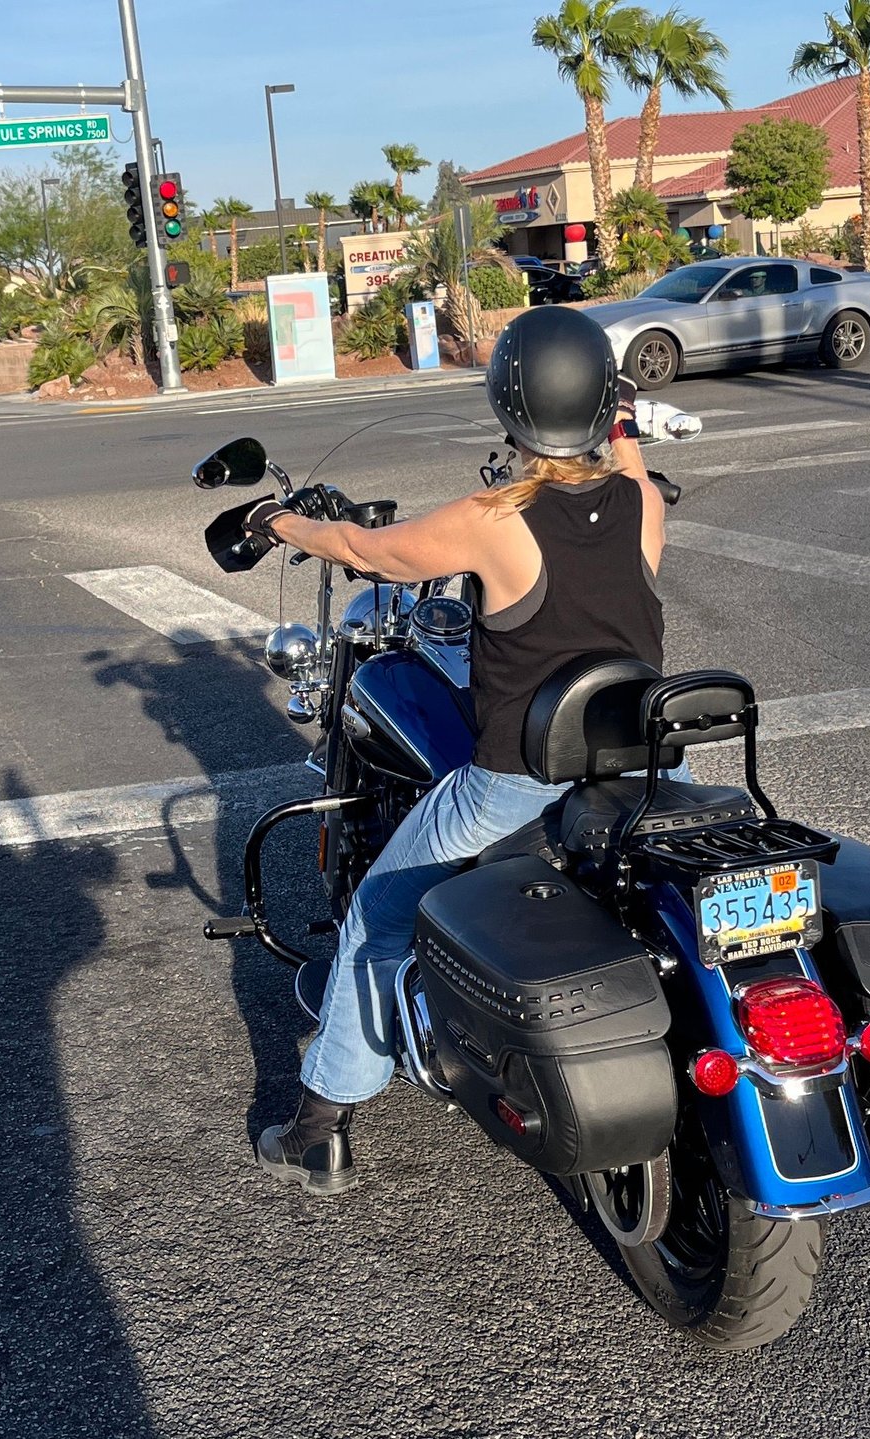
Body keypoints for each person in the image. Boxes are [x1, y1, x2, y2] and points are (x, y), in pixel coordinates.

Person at [238, 306, 672, 1197]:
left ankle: (319, 1130)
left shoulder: (495, 518)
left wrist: (281, 523)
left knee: (378, 916)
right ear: (603, 403)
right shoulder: (642, 502)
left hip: (517, 786)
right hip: (643, 770)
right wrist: (623, 424)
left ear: (510, 403)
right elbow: (625, 461)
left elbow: (366, 551)